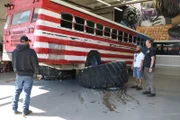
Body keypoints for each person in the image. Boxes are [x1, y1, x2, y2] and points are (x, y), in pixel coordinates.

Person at [12, 36, 42, 116]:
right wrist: (38, 73)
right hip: (28, 75)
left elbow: (13, 63)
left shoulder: (15, 51)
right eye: (28, 41)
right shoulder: (31, 51)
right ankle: (25, 111)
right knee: (26, 93)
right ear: (26, 42)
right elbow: (35, 64)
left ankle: (14, 109)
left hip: (19, 75)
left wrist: (16, 71)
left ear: (20, 41)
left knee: (17, 91)